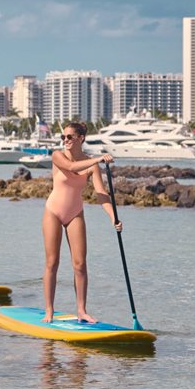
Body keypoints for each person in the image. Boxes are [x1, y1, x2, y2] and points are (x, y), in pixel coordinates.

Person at [42, 121, 121, 323]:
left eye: (69, 137)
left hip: (75, 213)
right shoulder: (58, 155)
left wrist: (114, 218)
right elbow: (70, 167)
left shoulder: (91, 166)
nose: (65, 140)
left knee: (80, 264)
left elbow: (101, 195)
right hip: (53, 211)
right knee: (52, 262)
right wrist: (98, 159)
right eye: (63, 137)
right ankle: (49, 311)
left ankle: (81, 311)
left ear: (81, 138)